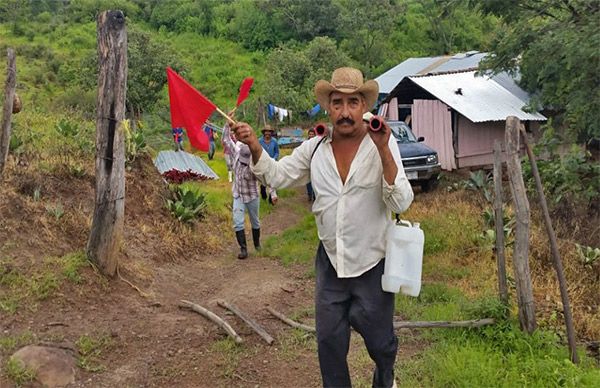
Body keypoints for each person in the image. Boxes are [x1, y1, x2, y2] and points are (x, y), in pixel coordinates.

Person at [232, 67, 414, 388]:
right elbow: (277, 176)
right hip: (330, 263)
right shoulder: (314, 148)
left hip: (373, 264)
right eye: (338, 103)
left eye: (353, 103)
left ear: (363, 105)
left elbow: (401, 202)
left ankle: (386, 381)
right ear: (328, 107)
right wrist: (254, 146)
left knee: (381, 346)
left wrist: (385, 149)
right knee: (329, 345)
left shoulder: (380, 144)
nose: (345, 112)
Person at [222, 121, 261, 259]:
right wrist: (227, 125)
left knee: (254, 221)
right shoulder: (237, 152)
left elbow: (267, 179)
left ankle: (257, 244)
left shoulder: (256, 164)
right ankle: (243, 249)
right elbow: (226, 140)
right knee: (237, 221)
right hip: (238, 194)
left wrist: (272, 193)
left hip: (251, 195)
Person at [258, 125, 280, 205]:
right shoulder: (259, 141)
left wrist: (274, 158)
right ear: (264, 132)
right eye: (266, 131)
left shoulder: (274, 141)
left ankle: (272, 199)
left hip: (272, 164)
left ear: (271, 133)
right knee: (263, 182)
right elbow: (257, 151)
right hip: (263, 163)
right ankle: (263, 195)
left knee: (272, 181)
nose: (267, 133)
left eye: (269, 132)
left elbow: (277, 152)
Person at [305, 127, 316, 201]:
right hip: (308, 163)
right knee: (308, 180)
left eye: (312, 134)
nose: (311, 135)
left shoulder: (317, 143)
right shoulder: (305, 143)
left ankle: (315, 195)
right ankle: (309, 194)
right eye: (310, 134)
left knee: (315, 180)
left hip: (316, 164)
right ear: (308, 135)